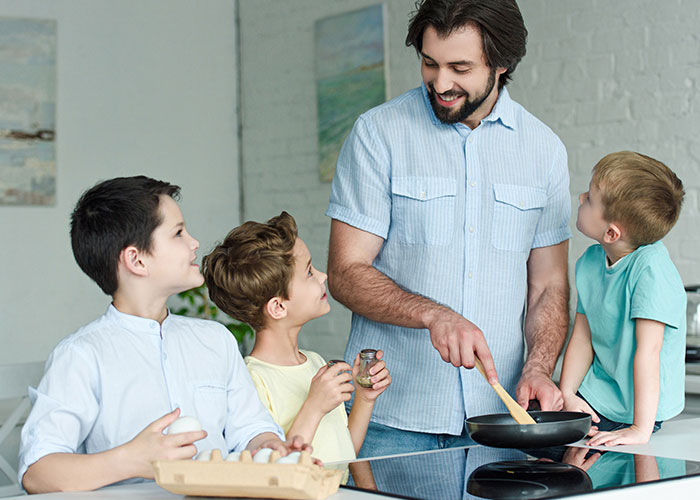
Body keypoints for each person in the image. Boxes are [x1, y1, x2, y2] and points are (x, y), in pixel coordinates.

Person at [326, 0, 571, 457]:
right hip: (389, 422)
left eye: (460, 67)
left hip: (502, 423)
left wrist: (539, 367)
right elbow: (344, 272)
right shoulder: (378, 135)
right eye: (429, 63)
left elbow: (548, 286)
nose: (440, 83)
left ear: (501, 64)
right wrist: (434, 314)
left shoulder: (544, 151)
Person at [18, 176, 304, 493]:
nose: (194, 243)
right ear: (136, 259)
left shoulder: (216, 339)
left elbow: (251, 428)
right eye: (178, 233)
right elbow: (38, 472)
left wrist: (270, 446)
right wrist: (132, 459)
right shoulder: (81, 355)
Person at [202, 211, 392, 465]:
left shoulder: (314, 362)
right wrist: (314, 406)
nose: (323, 276)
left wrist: (365, 399)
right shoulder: (251, 380)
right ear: (278, 307)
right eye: (310, 272)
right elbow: (277, 466)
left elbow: (344, 454)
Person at [560, 151, 686, 446]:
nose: (580, 198)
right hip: (601, 392)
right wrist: (567, 394)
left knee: (561, 444)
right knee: (533, 420)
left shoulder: (651, 269)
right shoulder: (590, 261)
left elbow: (649, 352)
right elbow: (582, 337)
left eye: (590, 199)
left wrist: (640, 429)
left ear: (611, 232)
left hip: (639, 405)